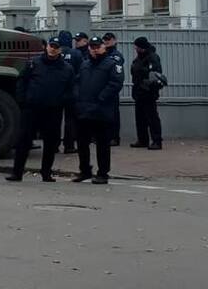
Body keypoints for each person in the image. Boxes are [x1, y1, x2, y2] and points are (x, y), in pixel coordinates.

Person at [10, 32, 75, 182]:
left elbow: (71, 89)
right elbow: (21, 81)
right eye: (51, 46)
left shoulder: (67, 69)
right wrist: (22, 100)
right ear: (46, 47)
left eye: (56, 47)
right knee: (24, 141)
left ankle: (46, 173)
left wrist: (62, 101)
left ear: (60, 50)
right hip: (32, 109)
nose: (53, 49)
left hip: (53, 110)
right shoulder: (34, 63)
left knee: (50, 143)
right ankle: (17, 172)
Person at [72, 37, 122, 184]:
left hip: (102, 111)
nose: (94, 49)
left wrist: (101, 98)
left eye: (97, 46)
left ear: (103, 47)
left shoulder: (112, 64)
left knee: (102, 144)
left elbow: (115, 84)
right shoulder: (85, 64)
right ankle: (85, 171)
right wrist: (77, 98)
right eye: (92, 47)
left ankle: (103, 173)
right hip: (84, 110)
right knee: (82, 143)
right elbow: (77, 82)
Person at [129, 36, 166, 150]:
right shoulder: (139, 58)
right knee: (140, 118)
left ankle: (156, 141)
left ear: (142, 47)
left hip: (149, 92)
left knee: (152, 118)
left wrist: (142, 71)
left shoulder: (152, 58)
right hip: (139, 92)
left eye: (137, 47)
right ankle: (142, 140)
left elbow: (155, 74)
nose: (135, 49)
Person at [61, 32, 89, 155]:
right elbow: (83, 71)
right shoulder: (76, 54)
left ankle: (53, 145)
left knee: (54, 119)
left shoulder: (54, 52)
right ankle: (69, 145)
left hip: (55, 91)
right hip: (71, 91)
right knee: (70, 119)